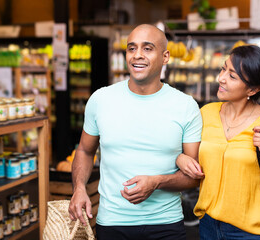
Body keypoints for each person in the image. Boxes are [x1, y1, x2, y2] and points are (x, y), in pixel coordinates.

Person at [68, 24, 202, 240]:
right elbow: (84, 150)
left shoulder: (185, 106)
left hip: (166, 224)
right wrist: (79, 188)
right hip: (112, 223)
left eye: (147, 48)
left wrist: (157, 181)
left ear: (165, 56)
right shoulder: (101, 100)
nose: (137, 55)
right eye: (131, 48)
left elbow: (193, 177)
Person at [176, 45, 260, 240]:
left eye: (232, 76)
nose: (221, 78)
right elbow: (188, 154)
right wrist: (181, 159)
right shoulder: (206, 113)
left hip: (253, 232)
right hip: (208, 225)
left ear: (253, 89)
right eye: (223, 69)